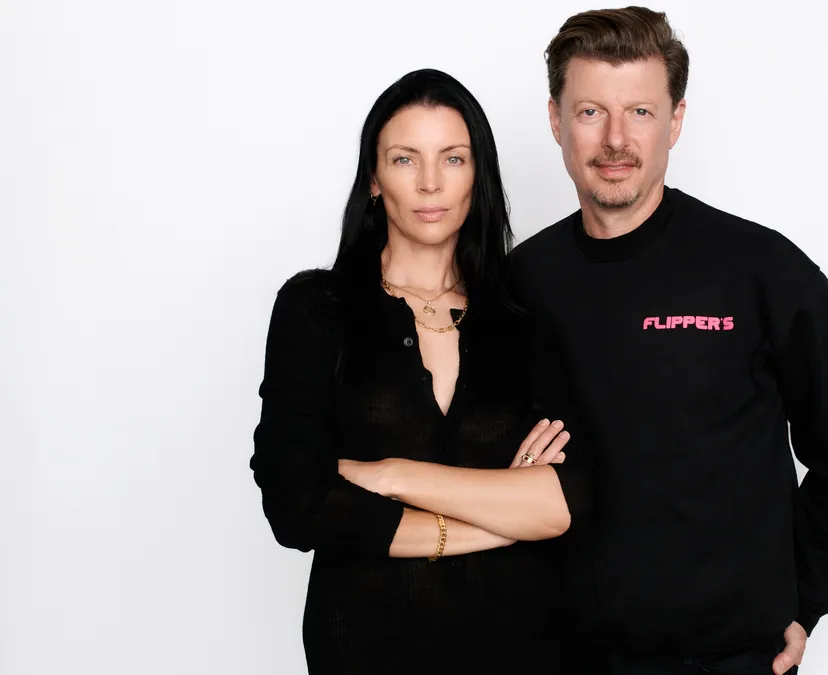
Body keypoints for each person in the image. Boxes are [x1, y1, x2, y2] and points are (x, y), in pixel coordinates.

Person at [509, 7, 828, 674]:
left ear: (676, 121)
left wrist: (803, 598)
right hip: (563, 657)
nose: (615, 140)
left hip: (732, 660)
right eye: (589, 112)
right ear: (555, 120)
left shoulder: (760, 272)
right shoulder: (518, 285)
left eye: (639, 112)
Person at [249, 68, 590, 674]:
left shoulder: (525, 319)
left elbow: (566, 502)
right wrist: (499, 520)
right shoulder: (316, 309)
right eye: (405, 159)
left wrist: (390, 474)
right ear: (374, 179)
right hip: (365, 647)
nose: (431, 183)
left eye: (453, 159)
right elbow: (296, 503)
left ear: (477, 174)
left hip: (523, 647)